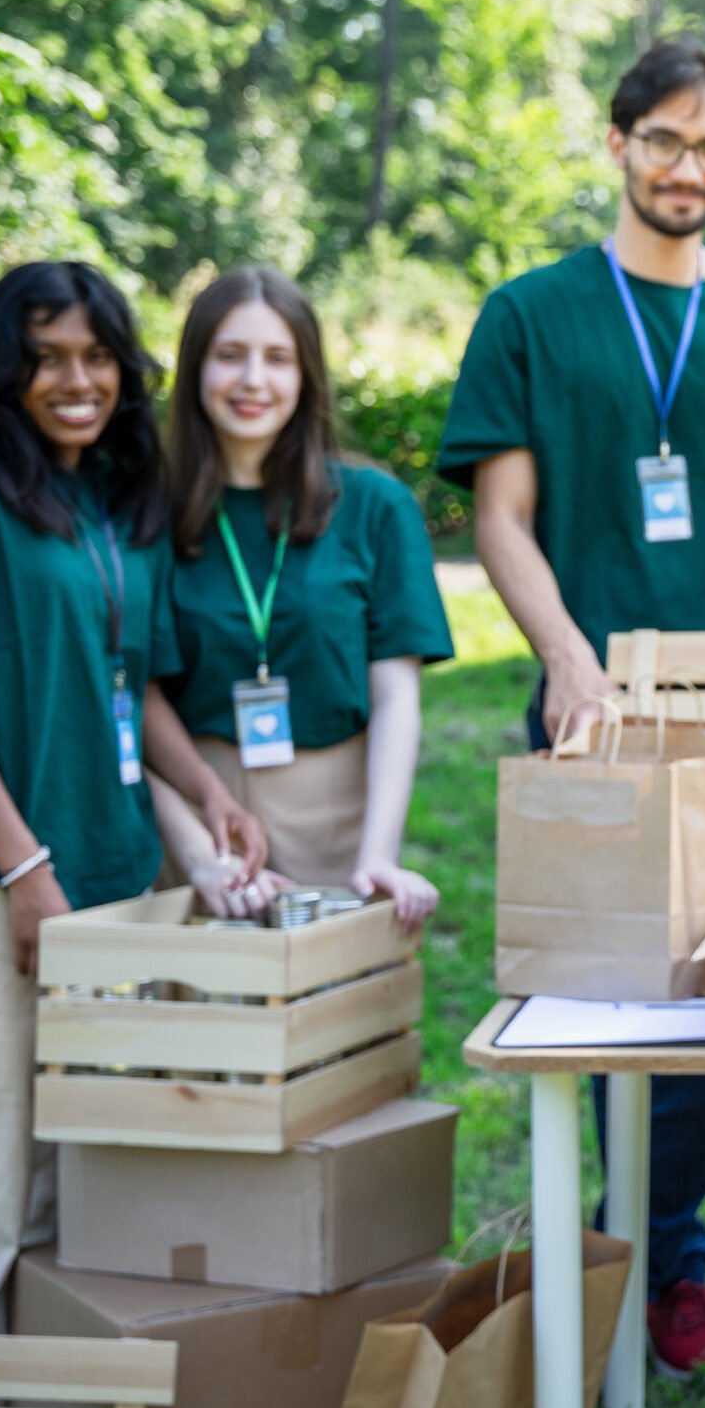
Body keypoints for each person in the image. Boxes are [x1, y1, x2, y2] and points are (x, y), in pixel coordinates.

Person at [438, 35, 705, 1372]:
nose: (688, 166)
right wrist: (561, 654)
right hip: (595, 707)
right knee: (597, 998)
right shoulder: (531, 311)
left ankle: (656, 1254)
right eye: (663, 138)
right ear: (618, 144)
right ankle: (609, 1248)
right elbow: (502, 513)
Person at [0, 262, 268, 1408]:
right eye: (47, 356)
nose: (76, 379)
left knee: (62, 1201)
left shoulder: (110, 500)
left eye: (97, 356)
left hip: (106, 884)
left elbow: (128, 679)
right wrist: (22, 871)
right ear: (7, 369)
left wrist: (205, 790)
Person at [152, 266, 453, 928]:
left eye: (278, 358)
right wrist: (197, 847)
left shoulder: (375, 506)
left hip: (338, 815)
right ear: (195, 367)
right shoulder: (148, 513)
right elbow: (134, 701)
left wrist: (379, 851)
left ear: (307, 375)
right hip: (198, 820)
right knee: (201, 1020)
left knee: (330, 1019)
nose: (253, 380)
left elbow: (397, 695)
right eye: (230, 355)